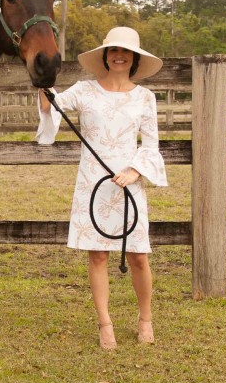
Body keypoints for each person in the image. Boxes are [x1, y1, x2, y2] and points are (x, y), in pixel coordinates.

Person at [37, 26, 168, 350]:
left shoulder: (145, 98)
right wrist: (42, 78)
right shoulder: (85, 90)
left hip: (128, 183)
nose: (119, 56)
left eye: (125, 52)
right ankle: (105, 323)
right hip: (92, 181)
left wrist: (135, 171)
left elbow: (151, 145)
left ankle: (145, 318)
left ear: (134, 58)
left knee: (139, 256)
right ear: (105, 56)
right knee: (97, 255)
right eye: (113, 51)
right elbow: (49, 107)